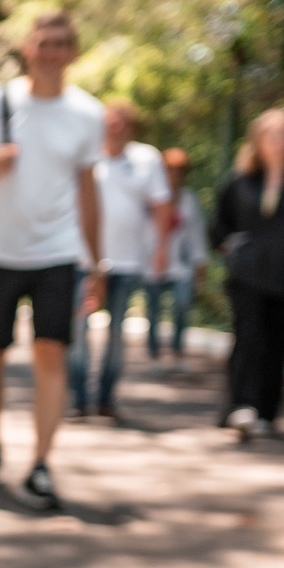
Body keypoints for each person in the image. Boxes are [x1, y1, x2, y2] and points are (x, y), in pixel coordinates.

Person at [0, 10, 106, 505]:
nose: (51, 51)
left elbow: (88, 191)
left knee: (51, 351)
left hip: (57, 251)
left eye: (61, 43)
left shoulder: (88, 114)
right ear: (28, 48)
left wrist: (96, 263)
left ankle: (40, 463)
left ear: (72, 51)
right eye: (43, 42)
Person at [209, 107, 284, 438]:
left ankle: (267, 412)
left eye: (282, 135)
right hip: (246, 274)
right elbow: (218, 223)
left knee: (278, 340)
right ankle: (240, 405)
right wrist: (231, 249)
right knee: (248, 335)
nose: (276, 142)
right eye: (269, 135)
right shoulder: (240, 179)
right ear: (257, 141)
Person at [66, 99, 174, 421]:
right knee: (77, 332)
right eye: (110, 122)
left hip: (127, 262)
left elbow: (161, 206)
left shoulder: (146, 159)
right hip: (81, 260)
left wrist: (162, 249)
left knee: (115, 334)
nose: (116, 128)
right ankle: (79, 399)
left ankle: (106, 399)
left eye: (123, 122)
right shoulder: (85, 157)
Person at [141, 145, 205, 368]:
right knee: (154, 312)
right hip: (152, 266)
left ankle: (178, 352)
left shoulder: (189, 200)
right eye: (169, 170)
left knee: (182, 304)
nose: (174, 175)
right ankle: (154, 355)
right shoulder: (149, 198)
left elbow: (196, 234)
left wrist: (200, 264)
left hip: (180, 266)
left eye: (180, 170)